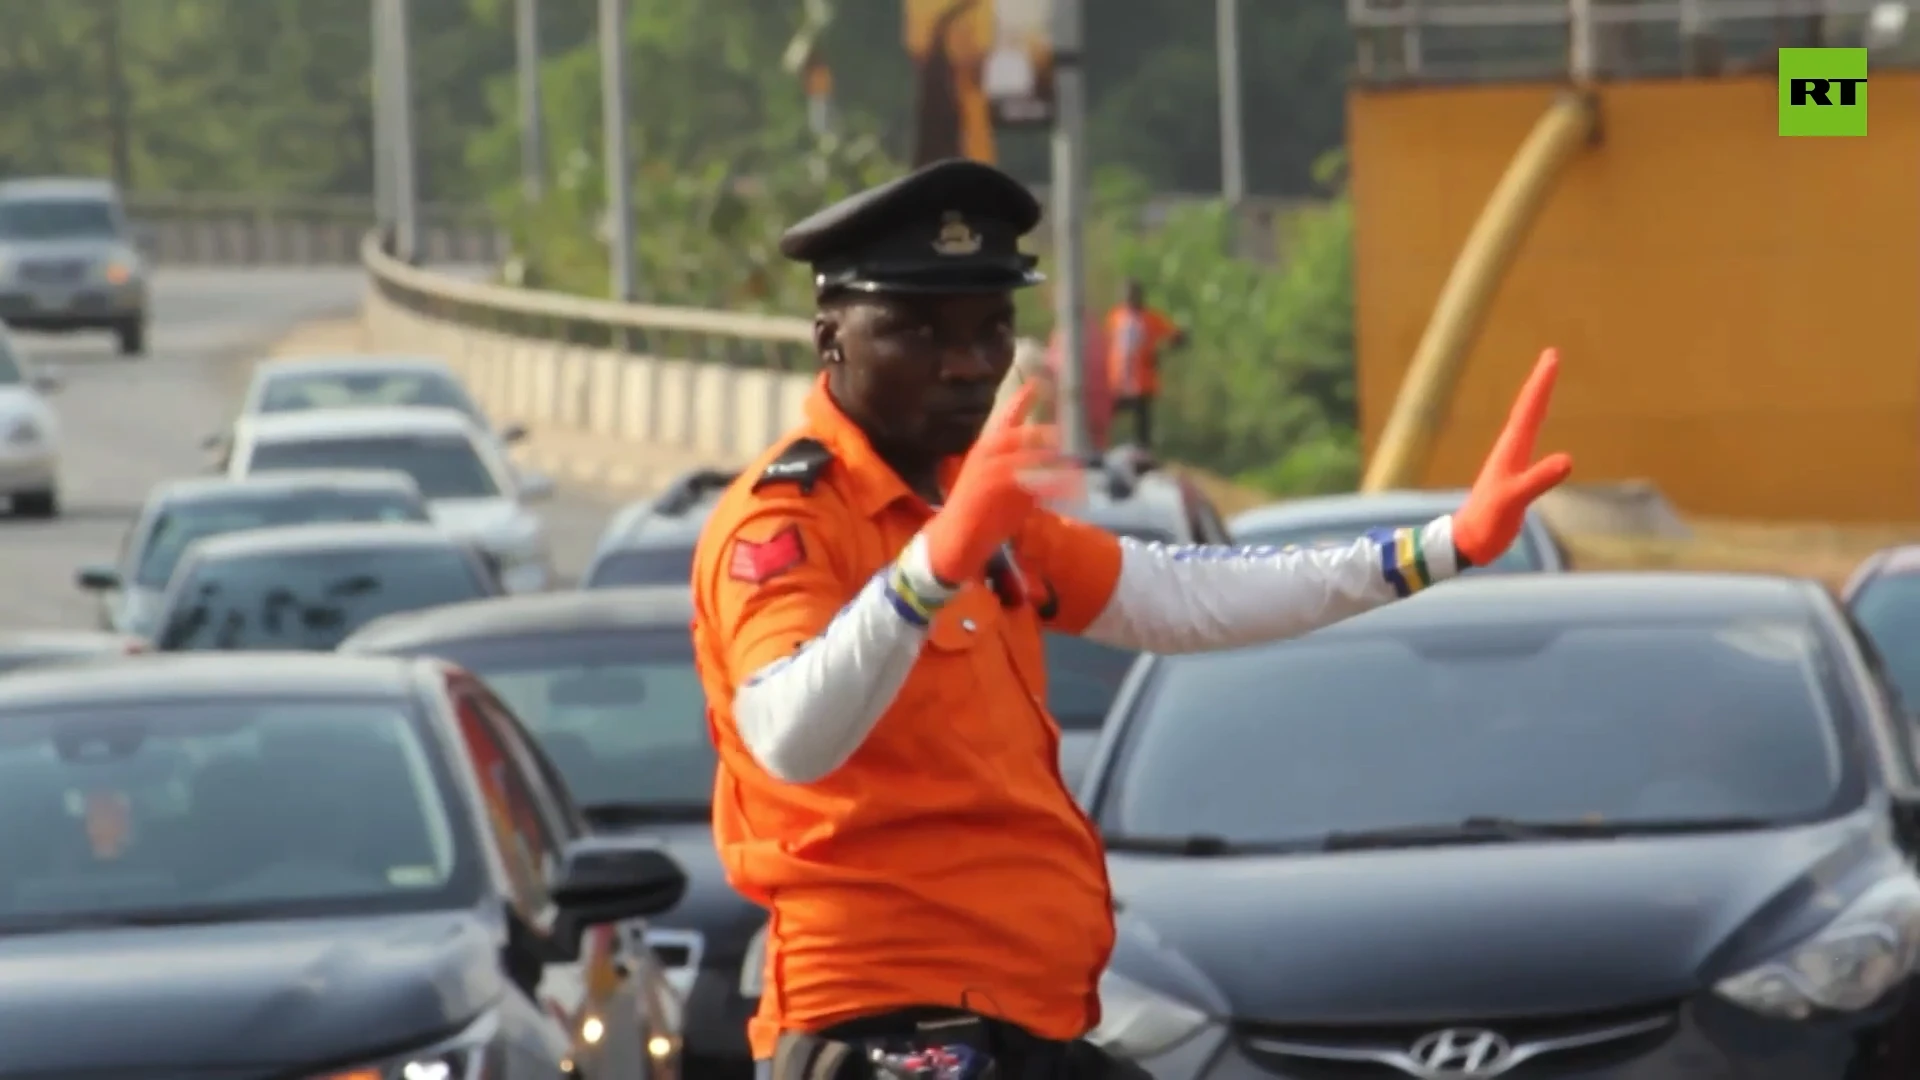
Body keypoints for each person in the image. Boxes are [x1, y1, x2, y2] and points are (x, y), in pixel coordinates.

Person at [689, 157, 1573, 1080]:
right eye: (916, 330)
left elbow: (1176, 595)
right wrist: (934, 567)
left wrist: (1442, 547)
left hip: (1016, 1014)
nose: (967, 364)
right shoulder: (785, 519)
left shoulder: (967, 506)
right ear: (830, 334)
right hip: (885, 1023)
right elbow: (787, 735)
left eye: (991, 329)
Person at [1102, 280, 1183, 449]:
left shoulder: (1150, 318)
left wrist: (1159, 352)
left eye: (1132, 294)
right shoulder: (1115, 316)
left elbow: (1177, 337)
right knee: (1105, 413)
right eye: (1126, 295)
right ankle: (1102, 446)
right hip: (1117, 380)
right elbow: (1107, 341)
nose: (1129, 298)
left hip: (1142, 379)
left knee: (1142, 422)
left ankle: (1143, 452)